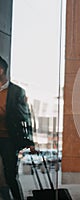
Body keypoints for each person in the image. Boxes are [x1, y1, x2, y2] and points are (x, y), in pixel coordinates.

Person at [0, 56, 36, 200]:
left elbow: (25, 117)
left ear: (1, 70)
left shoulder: (16, 91)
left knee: (10, 176)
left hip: (8, 139)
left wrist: (29, 141)